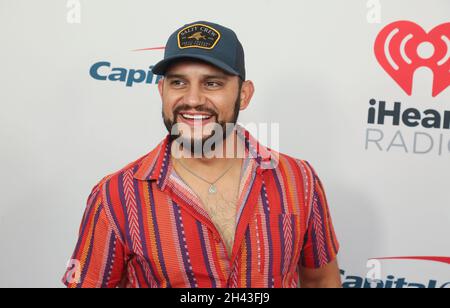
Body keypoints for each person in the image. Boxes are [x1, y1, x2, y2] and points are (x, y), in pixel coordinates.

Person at [63, 21, 341, 288]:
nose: (193, 99)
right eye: (179, 83)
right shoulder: (116, 196)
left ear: (244, 95)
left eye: (212, 83)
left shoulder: (299, 179)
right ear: (162, 91)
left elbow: (322, 281)